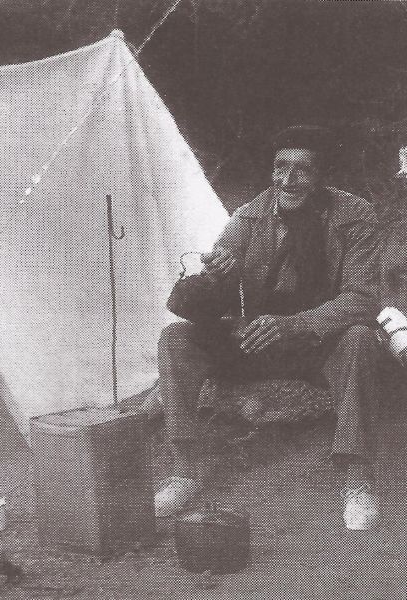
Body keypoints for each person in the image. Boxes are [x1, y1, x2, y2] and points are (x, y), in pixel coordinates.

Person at [155, 126, 383, 530]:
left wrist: (296, 324)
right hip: (259, 340)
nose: (288, 181)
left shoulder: (354, 216)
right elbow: (213, 303)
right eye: (280, 168)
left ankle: (357, 478)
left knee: (361, 338)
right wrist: (213, 276)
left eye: (302, 170)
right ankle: (184, 470)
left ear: (322, 176)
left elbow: (363, 298)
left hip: (318, 343)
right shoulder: (250, 216)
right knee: (176, 339)